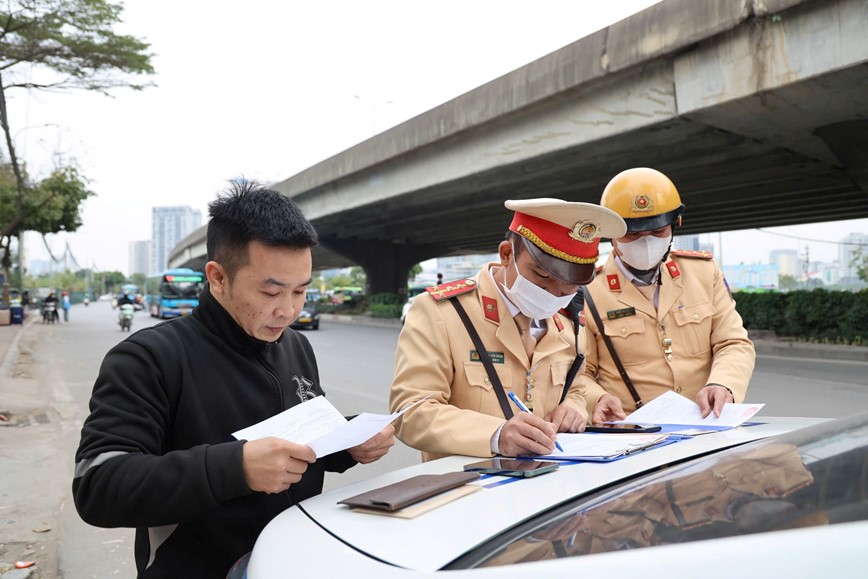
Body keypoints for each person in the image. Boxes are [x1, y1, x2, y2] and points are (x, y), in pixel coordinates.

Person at [72, 182, 395, 578]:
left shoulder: (295, 346)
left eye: (300, 291)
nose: (288, 310)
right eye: (271, 291)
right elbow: (98, 484)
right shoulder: (149, 358)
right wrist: (235, 468)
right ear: (218, 277)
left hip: (296, 561)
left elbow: (304, 438)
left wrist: (348, 442)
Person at [390, 199, 626, 461]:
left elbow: (576, 387)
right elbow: (410, 412)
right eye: (542, 276)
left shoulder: (568, 322)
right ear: (506, 254)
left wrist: (574, 409)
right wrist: (496, 435)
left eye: (570, 284)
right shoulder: (444, 313)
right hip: (467, 489)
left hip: (551, 487)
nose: (555, 294)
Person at [578, 167, 756, 424]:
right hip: (633, 433)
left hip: (706, 425)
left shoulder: (703, 273)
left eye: (657, 231)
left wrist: (723, 384)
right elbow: (580, 373)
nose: (646, 242)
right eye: (633, 233)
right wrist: (598, 398)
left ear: (674, 226)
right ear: (611, 235)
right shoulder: (588, 290)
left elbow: (733, 343)